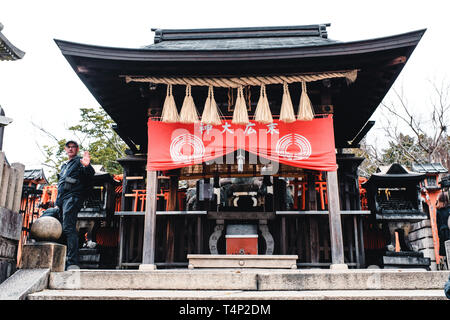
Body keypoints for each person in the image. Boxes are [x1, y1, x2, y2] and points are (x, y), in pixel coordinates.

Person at [42, 140, 95, 270]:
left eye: (73, 147)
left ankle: (72, 262)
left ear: (77, 149)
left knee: (68, 228)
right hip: (62, 200)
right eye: (69, 147)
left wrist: (87, 166)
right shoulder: (64, 165)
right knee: (52, 220)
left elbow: (89, 175)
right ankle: (59, 259)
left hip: (73, 197)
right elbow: (61, 186)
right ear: (65, 149)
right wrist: (57, 204)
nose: (71, 149)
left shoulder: (79, 162)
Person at [436, 192, 450, 259]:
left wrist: (439, 235)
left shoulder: (438, 210)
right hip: (448, 230)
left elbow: (438, 223)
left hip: (442, 232)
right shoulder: (449, 209)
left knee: (446, 253)